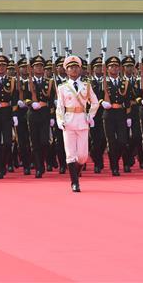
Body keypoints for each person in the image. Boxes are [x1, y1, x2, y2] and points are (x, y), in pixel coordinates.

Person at [55, 55, 99, 192]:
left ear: (80, 69)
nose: (73, 70)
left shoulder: (86, 85)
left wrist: (90, 116)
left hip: (82, 120)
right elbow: (60, 107)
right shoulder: (62, 87)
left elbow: (95, 102)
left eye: (76, 67)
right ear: (66, 71)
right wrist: (60, 120)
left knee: (83, 156)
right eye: (70, 67)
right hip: (68, 121)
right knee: (70, 154)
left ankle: (76, 171)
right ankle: (74, 182)